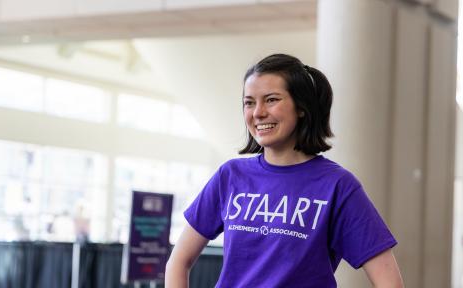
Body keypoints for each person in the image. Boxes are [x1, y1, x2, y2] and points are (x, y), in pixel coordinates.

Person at [166, 54, 404, 287]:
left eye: (271, 99)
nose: (258, 112)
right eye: (249, 102)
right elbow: (178, 262)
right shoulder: (230, 176)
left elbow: (389, 281)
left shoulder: (337, 186)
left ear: (301, 107)